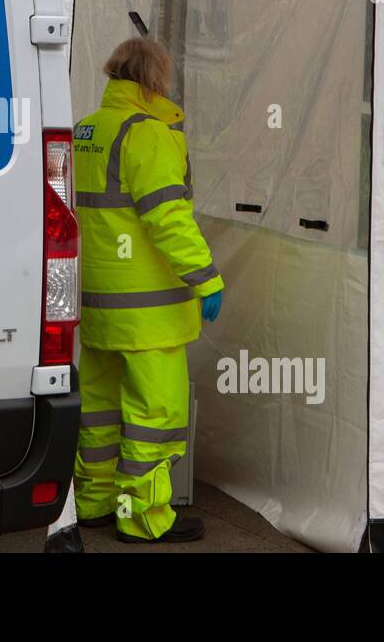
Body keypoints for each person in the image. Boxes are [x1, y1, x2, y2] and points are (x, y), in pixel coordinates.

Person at [72, 37, 224, 544]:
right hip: (148, 311)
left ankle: (93, 504)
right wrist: (206, 277)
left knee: (99, 409)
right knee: (153, 415)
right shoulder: (149, 136)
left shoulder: (85, 131)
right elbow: (168, 218)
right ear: (155, 80)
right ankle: (141, 516)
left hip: (95, 303)